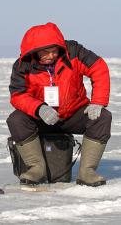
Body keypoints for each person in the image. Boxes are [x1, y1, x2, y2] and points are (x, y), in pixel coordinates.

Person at [6, 22, 112, 187]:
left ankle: (87, 172)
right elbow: (18, 95)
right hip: (42, 118)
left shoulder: (74, 52)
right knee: (16, 120)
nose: (51, 55)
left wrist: (98, 101)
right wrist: (39, 108)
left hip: (74, 113)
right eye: (45, 52)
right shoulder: (23, 65)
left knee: (102, 117)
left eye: (55, 50)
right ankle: (36, 169)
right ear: (34, 52)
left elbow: (98, 67)